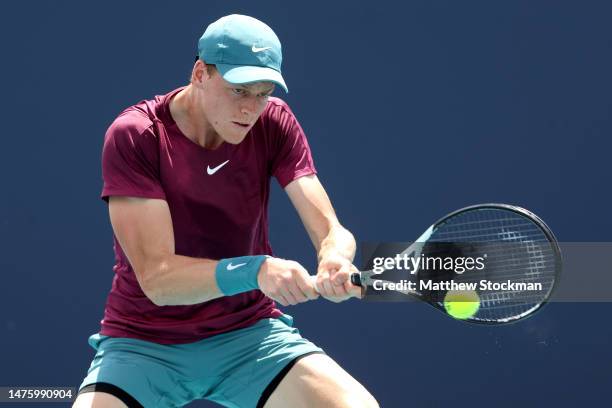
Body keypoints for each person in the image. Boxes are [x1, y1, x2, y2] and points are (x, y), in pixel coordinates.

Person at [73, 14, 379, 408]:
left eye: (262, 93)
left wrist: (334, 257)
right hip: (143, 344)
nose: (251, 108)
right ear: (201, 72)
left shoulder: (274, 123)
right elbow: (159, 279)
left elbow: (331, 229)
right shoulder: (138, 135)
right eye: (239, 90)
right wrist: (258, 270)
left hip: (248, 337)